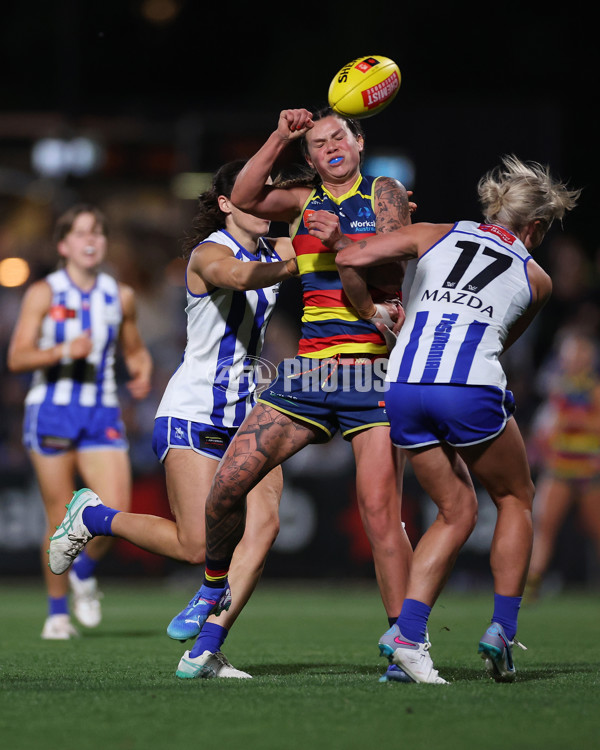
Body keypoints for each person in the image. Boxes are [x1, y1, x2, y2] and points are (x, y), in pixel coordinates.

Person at [165, 106, 415, 681]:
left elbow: (397, 250)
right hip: (305, 374)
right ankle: (209, 599)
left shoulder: (385, 191)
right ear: (308, 158)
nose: (330, 146)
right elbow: (247, 197)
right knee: (227, 485)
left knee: (380, 516)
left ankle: (406, 646)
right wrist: (280, 135)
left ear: (358, 142)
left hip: (367, 373)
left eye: (338, 137)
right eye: (319, 142)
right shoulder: (304, 200)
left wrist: (340, 238)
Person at [317, 154, 580, 683]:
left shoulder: (434, 232)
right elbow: (503, 340)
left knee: (455, 510)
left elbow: (351, 258)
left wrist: (373, 312)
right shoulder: (537, 276)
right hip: (467, 387)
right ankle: (502, 630)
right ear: (533, 227)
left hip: (405, 386)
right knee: (515, 497)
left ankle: (409, 638)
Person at [48, 160, 298, 678]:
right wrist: (302, 260)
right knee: (197, 547)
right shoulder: (209, 253)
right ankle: (94, 518)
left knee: (266, 525)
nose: (267, 207)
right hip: (193, 411)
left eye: (272, 198)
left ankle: (205, 646)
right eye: (255, 197)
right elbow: (242, 276)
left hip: (250, 413)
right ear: (227, 204)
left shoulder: (278, 250)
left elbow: (334, 232)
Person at [7, 204, 153, 640]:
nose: (91, 240)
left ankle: (84, 572)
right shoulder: (44, 293)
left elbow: (133, 348)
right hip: (51, 409)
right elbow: (17, 356)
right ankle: (57, 613)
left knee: (113, 512)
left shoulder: (120, 295)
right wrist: (62, 352)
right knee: (58, 517)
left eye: (98, 233)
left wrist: (141, 368)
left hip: (101, 411)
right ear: (64, 245)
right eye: (82, 233)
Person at [525, 328, 600, 601]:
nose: (573, 359)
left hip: (591, 473)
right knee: (544, 527)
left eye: (579, 353)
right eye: (569, 354)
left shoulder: (594, 390)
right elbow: (546, 433)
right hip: (559, 470)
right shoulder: (557, 390)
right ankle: (531, 585)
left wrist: (575, 423)